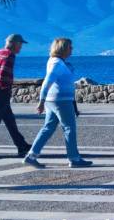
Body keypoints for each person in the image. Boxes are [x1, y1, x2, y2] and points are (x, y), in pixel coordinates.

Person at [23, 38, 92, 168]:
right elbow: (47, 82)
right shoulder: (57, 64)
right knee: (69, 128)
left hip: (55, 100)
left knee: (48, 128)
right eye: (70, 47)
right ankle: (74, 158)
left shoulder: (56, 62)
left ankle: (31, 156)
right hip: (61, 101)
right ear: (63, 48)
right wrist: (41, 101)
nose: (72, 50)